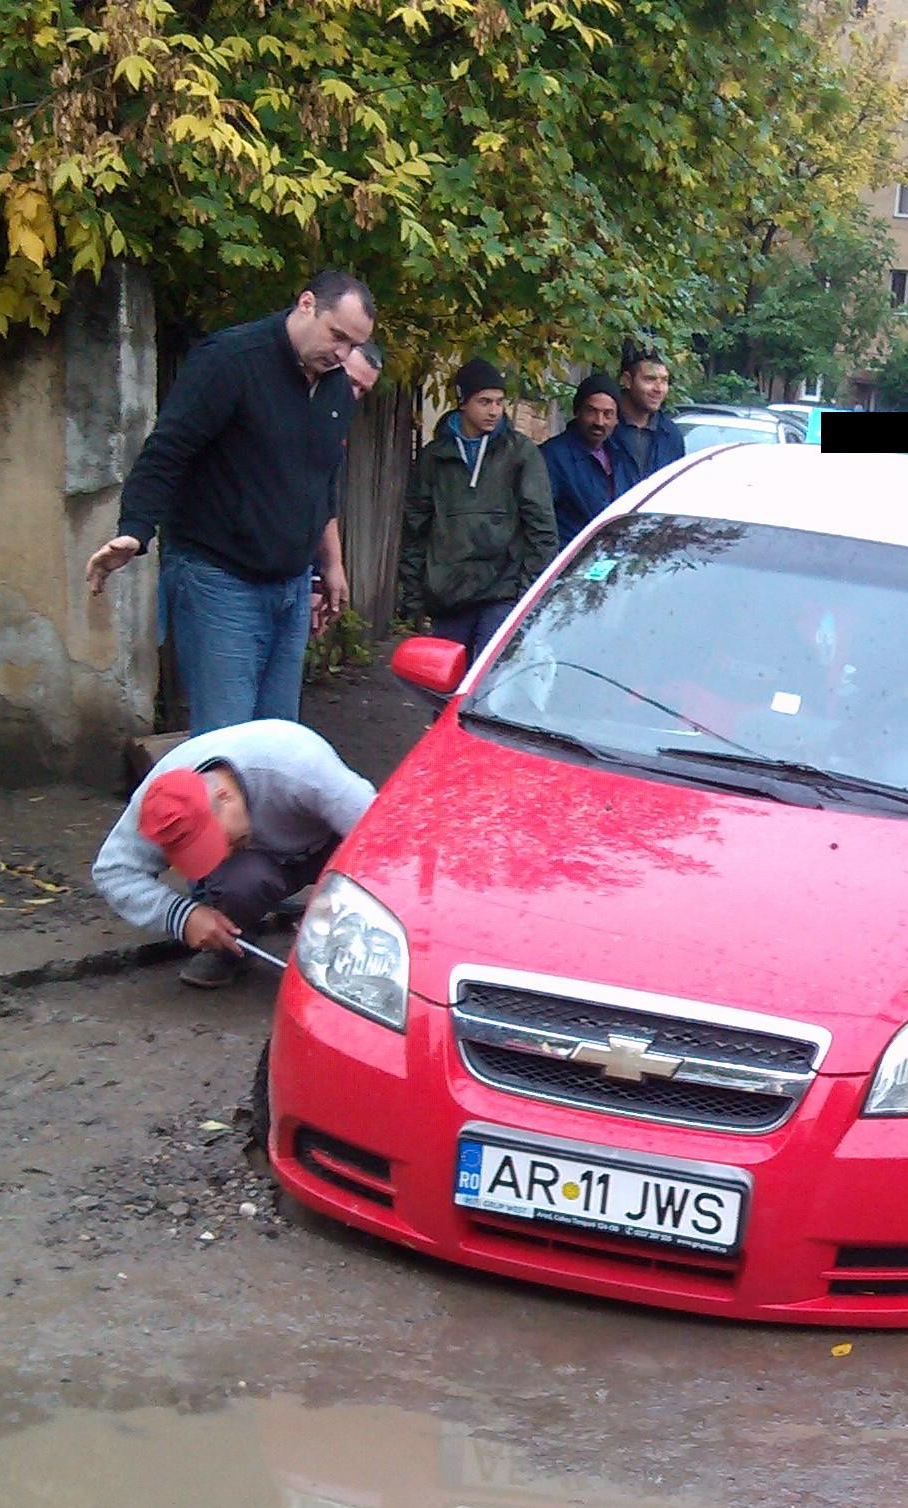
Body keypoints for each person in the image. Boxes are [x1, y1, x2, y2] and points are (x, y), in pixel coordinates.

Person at [86, 270, 374, 734]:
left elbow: (322, 478)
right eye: (336, 336)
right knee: (226, 742)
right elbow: (167, 451)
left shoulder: (335, 385)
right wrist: (135, 530)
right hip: (219, 580)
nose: (341, 354)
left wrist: (330, 566)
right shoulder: (231, 360)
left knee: (276, 741)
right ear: (306, 304)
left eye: (352, 345)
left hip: (291, 587)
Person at [93, 719, 376, 989]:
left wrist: (342, 912)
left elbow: (384, 841)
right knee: (235, 881)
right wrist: (182, 915)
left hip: (334, 843)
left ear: (224, 796)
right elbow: (113, 871)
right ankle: (233, 947)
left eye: (219, 842)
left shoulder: (299, 767)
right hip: (262, 860)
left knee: (362, 882)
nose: (223, 855)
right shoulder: (160, 807)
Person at [397, 358, 558, 654]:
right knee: (445, 678)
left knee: (489, 676)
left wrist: (528, 593)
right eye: (484, 402)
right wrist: (414, 601)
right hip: (447, 595)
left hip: (504, 593)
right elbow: (415, 529)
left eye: (499, 402)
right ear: (463, 402)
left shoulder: (520, 453)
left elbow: (542, 527)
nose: (494, 411)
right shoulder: (435, 456)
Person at [540, 374, 627, 546]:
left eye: (607, 414)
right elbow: (540, 519)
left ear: (617, 419)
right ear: (577, 412)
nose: (599, 422)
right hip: (570, 554)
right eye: (591, 411)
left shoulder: (621, 455)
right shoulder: (552, 456)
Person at [611, 345, 686, 485]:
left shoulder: (671, 435)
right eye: (650, 379)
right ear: (627, 380)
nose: (659, 389)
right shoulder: (604, 427)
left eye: (664, 380)